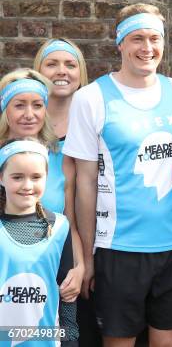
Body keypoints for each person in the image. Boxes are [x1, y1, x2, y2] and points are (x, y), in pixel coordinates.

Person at [63, 3, 172, 347]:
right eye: (137, 38)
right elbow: (85, 183)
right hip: (117, 249)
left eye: (155, 38)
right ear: (120, 44)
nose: (147, 48)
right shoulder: (90, 98)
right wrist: (89, 256)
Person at [0, 69, 83, 346]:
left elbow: (70, 221)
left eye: (37, 105)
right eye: (19, 105)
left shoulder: (62, 157)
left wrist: (80, 267)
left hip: (48, 284)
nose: (29, 114)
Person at [34, 38, 101, 346]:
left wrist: (83, 261)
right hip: (27, 243)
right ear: (39, 70)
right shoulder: (26, 117)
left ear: (80, 72)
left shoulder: (89, 118)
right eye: (52, 63)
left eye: (70, 64)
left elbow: (71, 213)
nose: (61, 71)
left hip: (70, 240)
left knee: (76, 329)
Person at [0, 138, 74, 347]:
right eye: (17, 177)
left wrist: (70, 340)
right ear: (1, 177)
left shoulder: (60, 227)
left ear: (47, 178)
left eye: (36, 177)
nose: (27, 185)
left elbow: (67, 292)